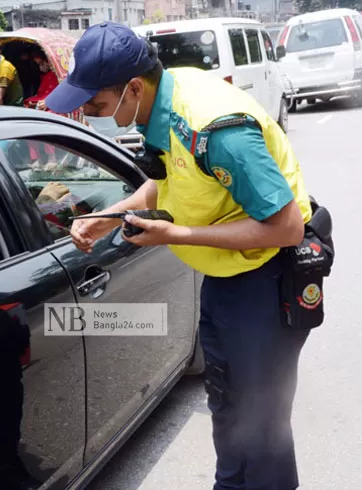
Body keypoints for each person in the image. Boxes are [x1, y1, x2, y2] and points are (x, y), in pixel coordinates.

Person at [46, 22, 314, 490]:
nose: (91, 114)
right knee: (227, 404)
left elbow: (286, 228)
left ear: (132, 88)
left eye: (96, 104)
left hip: (266, 279)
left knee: (262, 421)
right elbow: (169, 178)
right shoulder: (160, 106)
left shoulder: (217, 128)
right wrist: (110, 215)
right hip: (226, 281)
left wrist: (177, 234)